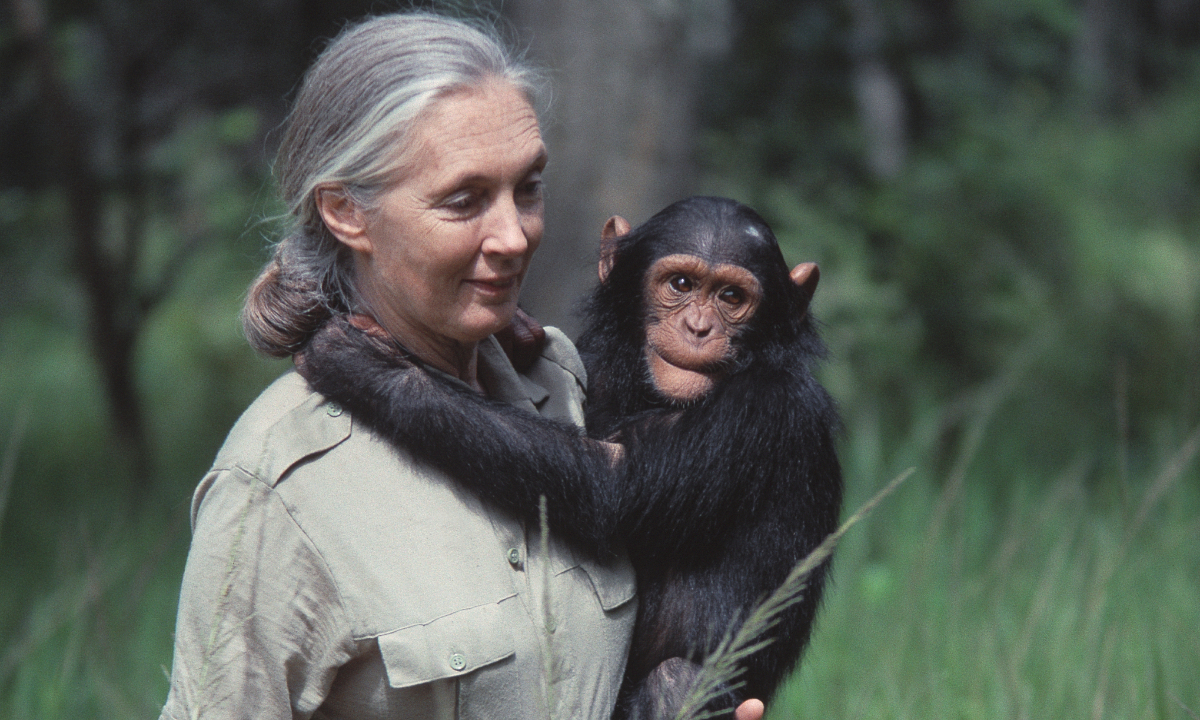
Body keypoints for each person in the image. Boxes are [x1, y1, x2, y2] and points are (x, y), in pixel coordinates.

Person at [159, 11, 765, 720]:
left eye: (528, 188)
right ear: (347, 212)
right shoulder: (276, 488)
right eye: (464, 200)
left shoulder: (563, 381)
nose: (514, 236)